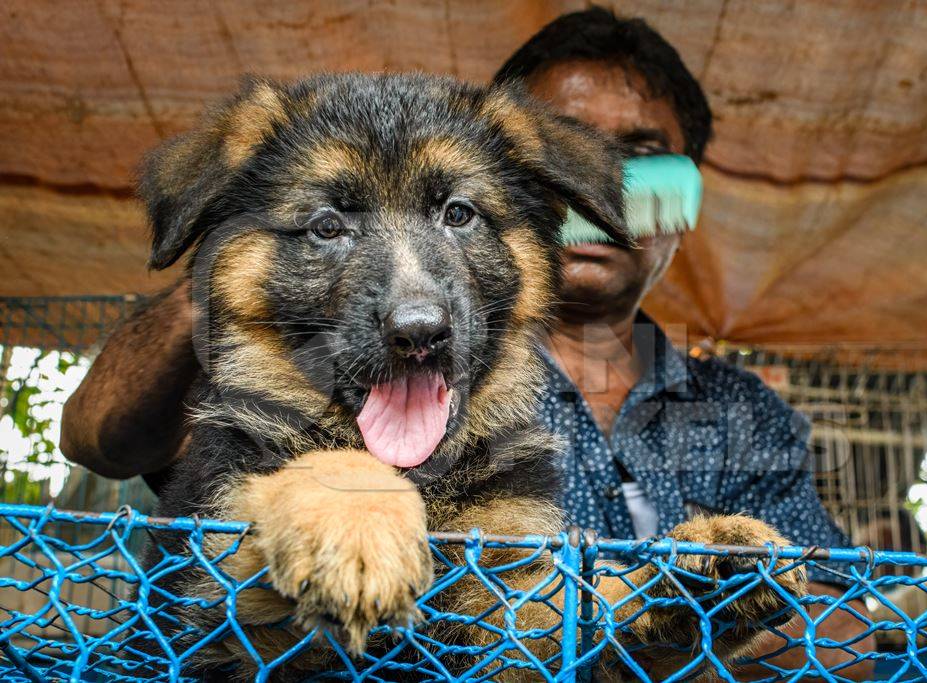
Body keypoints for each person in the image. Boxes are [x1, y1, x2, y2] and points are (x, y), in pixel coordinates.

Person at [61, 8, 874, 677]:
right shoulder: (277, 365)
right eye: (566, 144)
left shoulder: (738, 410)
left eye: (645, 163)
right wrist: (244, 238)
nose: (596, 197)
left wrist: (659, 614)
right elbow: (103, 435)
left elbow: (840, 630)